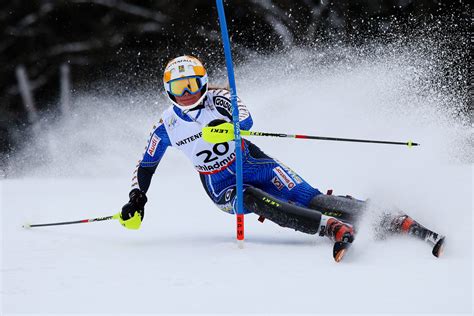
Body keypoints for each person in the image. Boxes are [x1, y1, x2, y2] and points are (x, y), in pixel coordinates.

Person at [120, 55, 445, 261]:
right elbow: (146, 165)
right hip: (222, 186)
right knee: (256, 200)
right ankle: (331, 229)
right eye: (179, 87)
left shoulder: (219, 99)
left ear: (203, 82)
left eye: (192, 84)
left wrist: (227, 127)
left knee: (312, 198)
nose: (187, 92)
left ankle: (392, 218)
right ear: (168, 91)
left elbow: (246, 120)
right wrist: (138, 197)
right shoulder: (167, 125)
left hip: (254, 162)